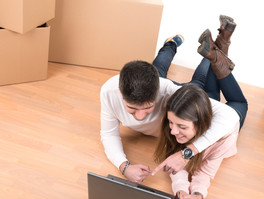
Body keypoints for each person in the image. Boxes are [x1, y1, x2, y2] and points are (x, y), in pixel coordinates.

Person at [100, 15, 239, 184]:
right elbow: (108, 134)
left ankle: (213, 52)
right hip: (156, 83)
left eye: (148, 107)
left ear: (157, 91)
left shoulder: (166, 89)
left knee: (199, 82)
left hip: (172, 90)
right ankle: (171, 43)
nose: (140, 116)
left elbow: (230, 115)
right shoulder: (108, 92)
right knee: (158, 66)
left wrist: (187, 153)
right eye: (132, 108)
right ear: (120, 92)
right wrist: (124, 167)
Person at [153, 15, 248, 199]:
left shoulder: (222, 137)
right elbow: (176, 166)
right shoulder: (176, 120)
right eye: (170, 123)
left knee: (239, 103)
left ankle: (217, 51)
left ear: (202, 123)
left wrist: (187, 156)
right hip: (201, 99)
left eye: (181, 126)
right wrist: (185, 195)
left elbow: (204, 171)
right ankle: (216, 51)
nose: (172, 131)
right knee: (207, 83)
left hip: (229, 117)